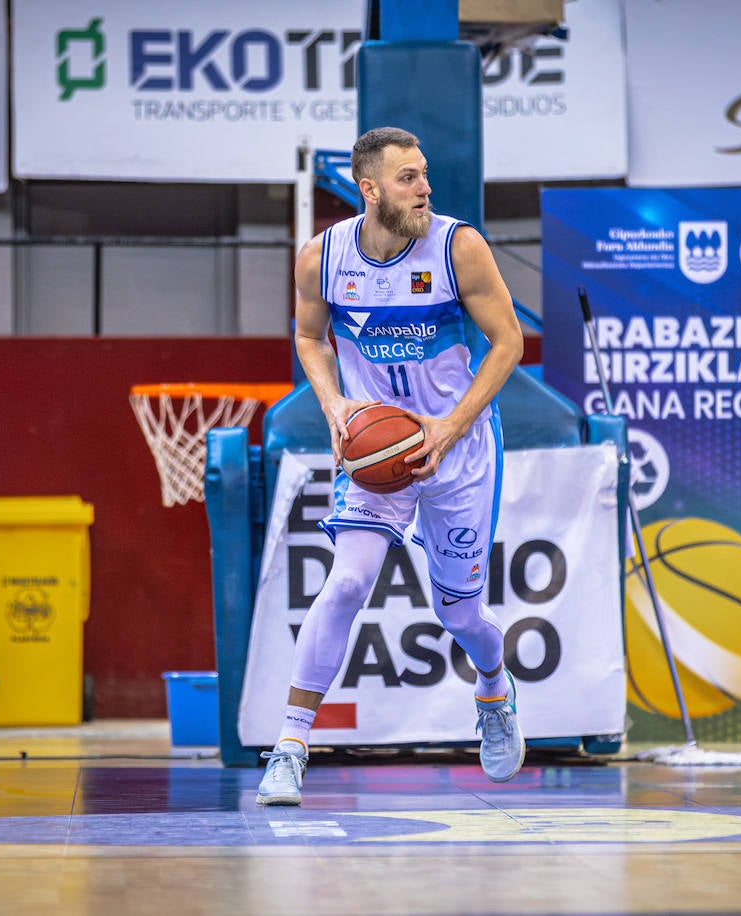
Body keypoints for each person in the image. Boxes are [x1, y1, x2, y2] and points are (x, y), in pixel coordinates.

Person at [255, 126, 525, 805]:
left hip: (456, 449)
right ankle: (290, 745)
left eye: (425, 174)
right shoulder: (322, 257)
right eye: (408, 178)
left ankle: (493, 688)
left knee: (460, 615)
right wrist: (336, 406)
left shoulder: (458, 247)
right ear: (368, 188)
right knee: (346, 585)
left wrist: (451, 424)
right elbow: (310, 338)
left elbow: (508, 342)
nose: (424, 188)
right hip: (374, 451)